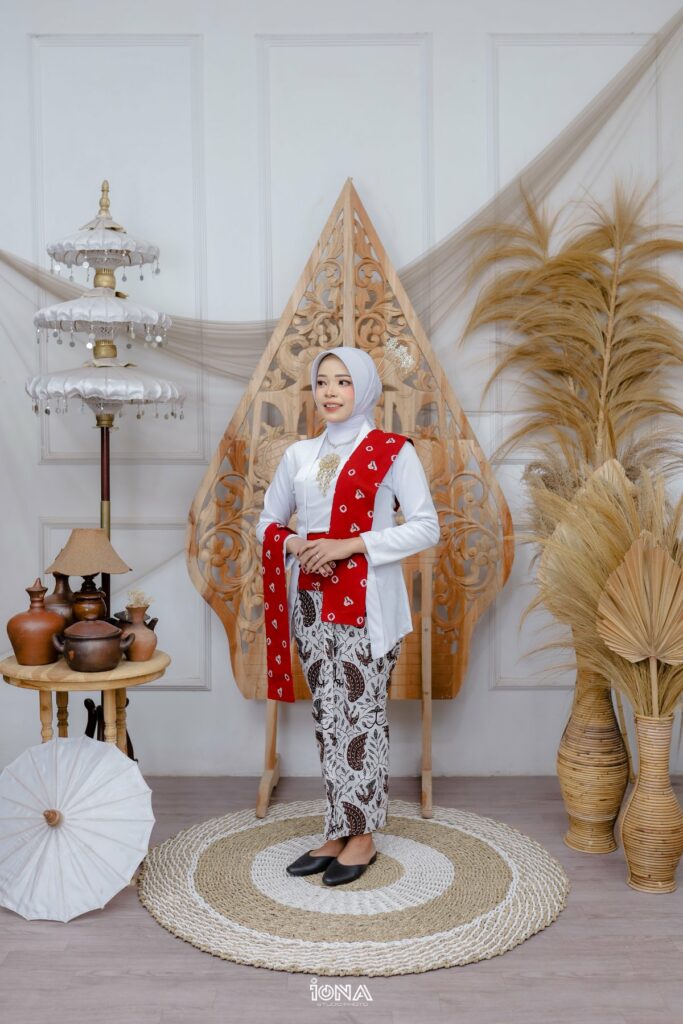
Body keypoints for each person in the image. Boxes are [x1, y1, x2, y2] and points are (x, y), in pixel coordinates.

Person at [255, 346, 440, 886]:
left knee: (363, 716)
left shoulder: (393, 452)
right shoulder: (299, 455)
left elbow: (426, 526)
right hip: (311, 604)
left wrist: (349, 545)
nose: (330, 391)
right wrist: (296, 543)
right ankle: (338, 828)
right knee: (329, 716)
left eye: (343, 381)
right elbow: (267, 522)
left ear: (364, 388)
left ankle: (363, 836)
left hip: (368, 604)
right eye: (322, 382)